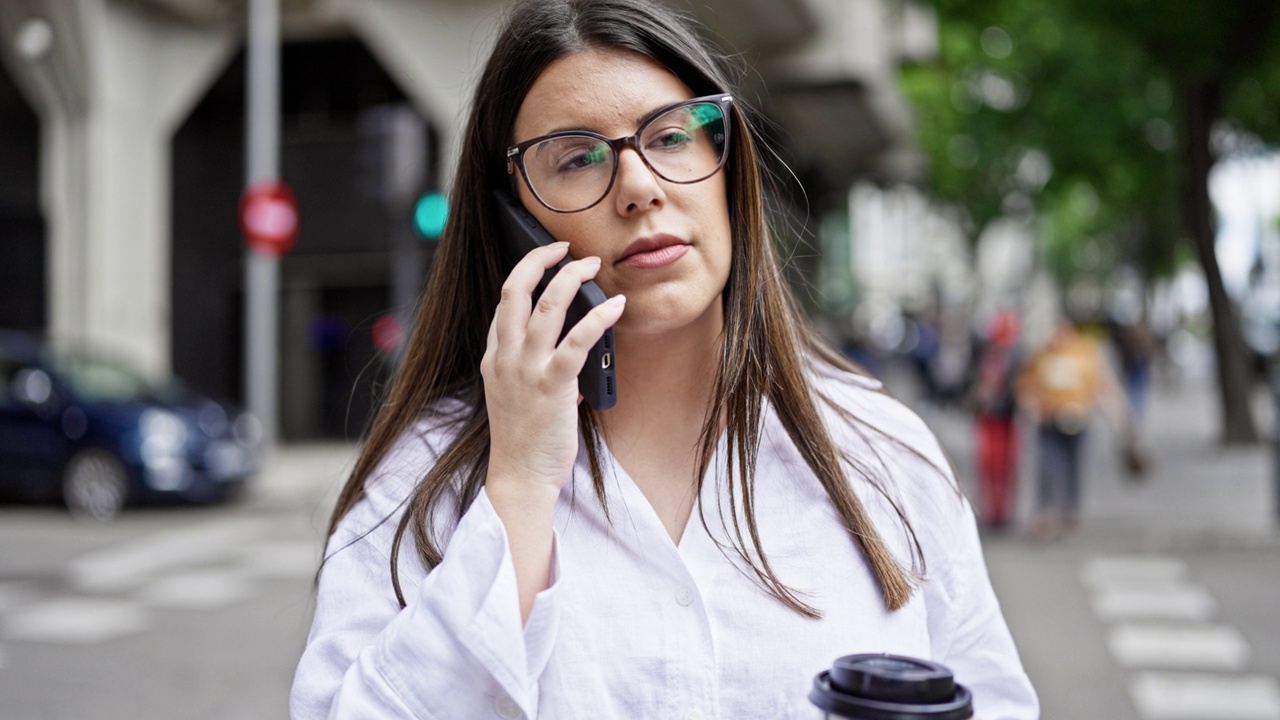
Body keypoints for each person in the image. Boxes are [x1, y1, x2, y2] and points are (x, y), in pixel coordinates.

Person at [290, 1, 1039, 718]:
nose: (640, 188)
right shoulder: (423, 481)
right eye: (577, 159)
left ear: (725, 160)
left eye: (672, 136)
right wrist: (517, 488)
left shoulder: (880, 453)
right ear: (512, 218)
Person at [1015, 318, 1130, 542]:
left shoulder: (1085, 353)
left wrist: (1119, 418)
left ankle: (1070, 512)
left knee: (1074, 467)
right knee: (1048, 467)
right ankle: (1046, 512)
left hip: (1078, 420)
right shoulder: (1043, 354)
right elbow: (1026, 383)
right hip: (1049, 420)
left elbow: (1101, 385)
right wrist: (1031, 406)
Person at [968, 311, 1022, 530]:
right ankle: (990, 509)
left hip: (1006, 418)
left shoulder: (1016, 358)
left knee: (1006, 466)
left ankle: (1003, 511)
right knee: (987, 464)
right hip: (986, 418)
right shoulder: (982, 356)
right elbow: (969, 380)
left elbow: (1018, 387)